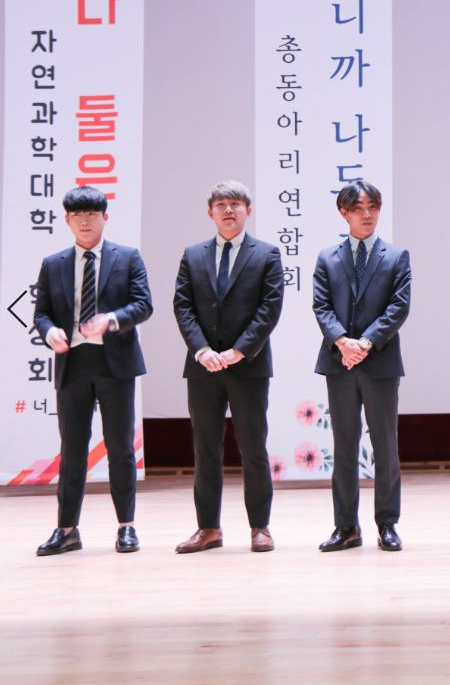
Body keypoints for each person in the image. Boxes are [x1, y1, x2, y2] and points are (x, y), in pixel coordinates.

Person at [33, 186, 153, 556]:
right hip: (72, 363)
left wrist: (111, 319)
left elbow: (143, 305)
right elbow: (41, 313)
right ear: (67, 220)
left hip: (115, 363)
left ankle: (126, 526)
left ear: (105, 217)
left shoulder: (127, 257)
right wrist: (49, 332)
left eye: (91, 214)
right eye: (77, 215)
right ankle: (67, 529)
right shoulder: (53, 263)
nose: (85, 221)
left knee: (120, 448)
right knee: (72, 449)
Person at [172, 180, 284, 554]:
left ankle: (260, 527)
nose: (228, 210)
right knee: (206, 450)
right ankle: (208, 528)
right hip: (203, 367)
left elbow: (269, 308)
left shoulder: (266, 254)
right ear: (210, 213)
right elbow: (183, 306)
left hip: (248, 366)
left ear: (248, 210)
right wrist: (201, 350)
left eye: (235, 204)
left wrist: (239, 351)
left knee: (253, 448)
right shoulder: (193, 255)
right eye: (221, 204)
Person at [312, 181, 411, 552]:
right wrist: (343, 342)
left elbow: (398, 307)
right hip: (339, 363)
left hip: (380, 362)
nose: (367, 214)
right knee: (344, 447)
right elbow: (321, 306)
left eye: (373, 206)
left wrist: (366, 343)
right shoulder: (327, 258)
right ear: (344, 212)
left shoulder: (396, 256)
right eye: (358, 208)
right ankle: (346, 527)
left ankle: (387, 523)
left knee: (385, 445)